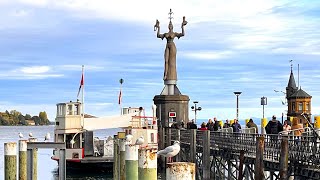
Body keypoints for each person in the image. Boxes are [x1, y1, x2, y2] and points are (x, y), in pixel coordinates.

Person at [154, 16, 187, 81]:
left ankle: (172, 76)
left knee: (172, 62)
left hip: (172, 46)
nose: (170, 26)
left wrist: (182, 26)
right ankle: (165, 75)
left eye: (171, 25)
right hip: (167, 45)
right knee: (166, 61)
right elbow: (158, 35)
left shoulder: (174, 33)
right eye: (169, 25)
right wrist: (158, 28)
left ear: (172, 26)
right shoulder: (166, 33)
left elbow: (183, 34)